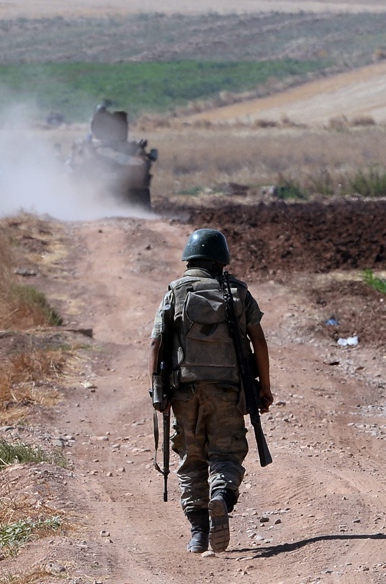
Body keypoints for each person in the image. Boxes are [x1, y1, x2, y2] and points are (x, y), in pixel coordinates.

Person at [149, 228, 273, 554]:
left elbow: (156, 342)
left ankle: (198, 533)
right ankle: (221, 497)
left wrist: (157, 390)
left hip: (183, 389)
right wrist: (264, 388)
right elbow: (258, 341)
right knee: (227, 453)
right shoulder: (237, 293)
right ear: (221, 260)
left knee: (191, 459)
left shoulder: (175, 292)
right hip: (227, 390)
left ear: (189, 259)